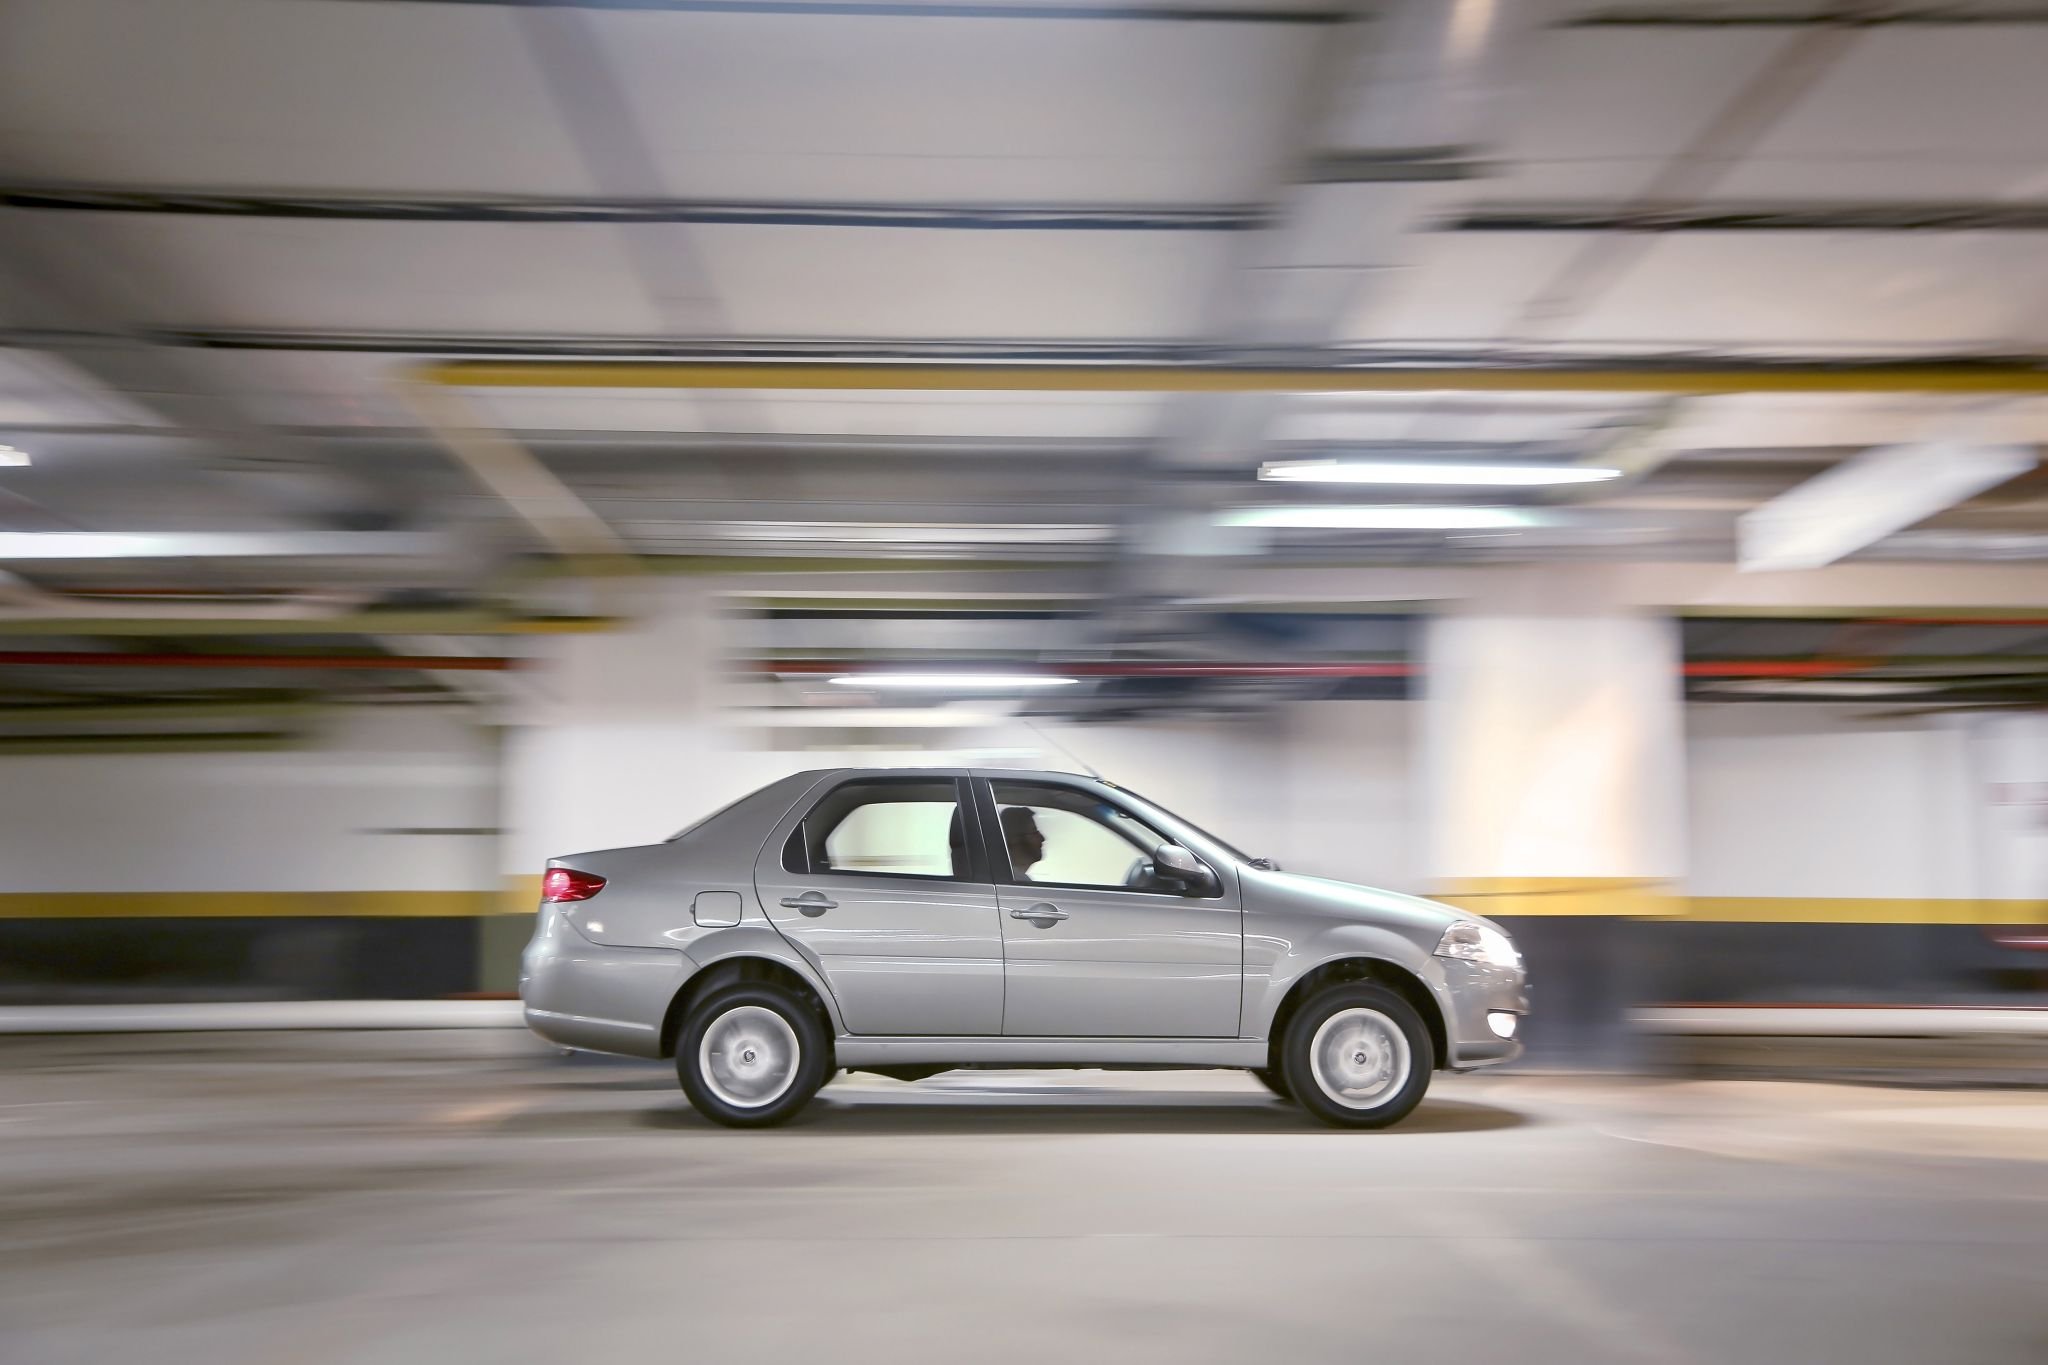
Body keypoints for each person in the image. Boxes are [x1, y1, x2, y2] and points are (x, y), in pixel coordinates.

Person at [999, 805, 1045, 879]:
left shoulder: (1008, 878)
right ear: (1014, 839)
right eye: (1034, 832)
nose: (1042, 838)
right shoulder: (1015, 881)